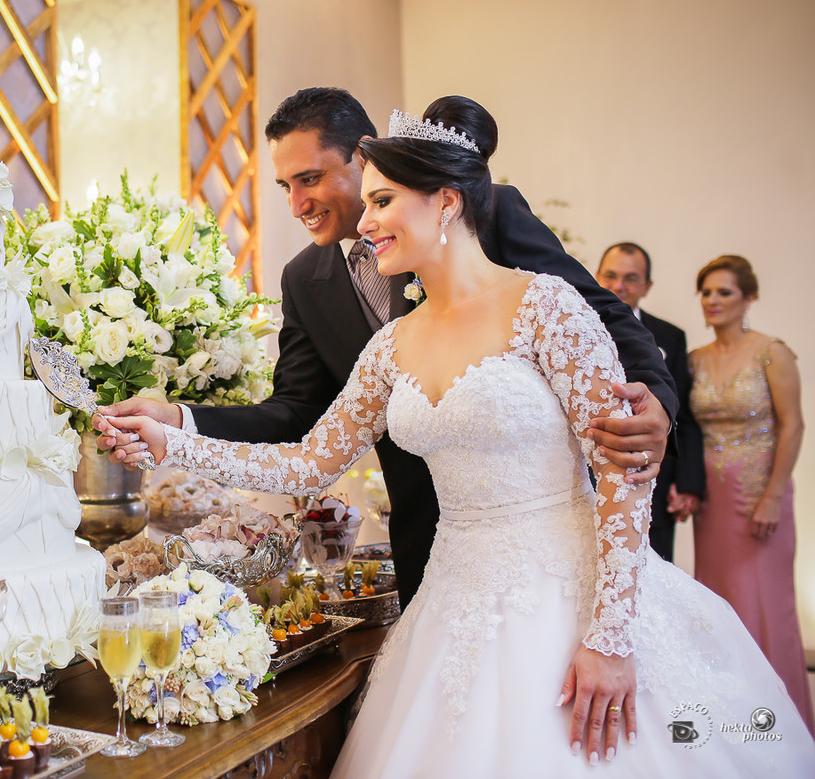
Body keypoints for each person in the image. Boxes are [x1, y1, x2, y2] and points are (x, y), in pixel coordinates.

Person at [100, 100, 815, 776]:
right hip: (451, 604)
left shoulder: (548, 308)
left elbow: (624, 476)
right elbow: (306, 459)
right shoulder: (390, 347)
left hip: (571, 598)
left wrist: (610, 639)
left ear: (445, 202)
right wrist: (172, 441)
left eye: (382, 202)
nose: (368, 221)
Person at [100, 88, 678, 609]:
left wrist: (653, 401)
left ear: (362, 156)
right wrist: (176, 428)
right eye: (286, 187)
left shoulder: (499, 233)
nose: (297, 204)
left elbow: (600, 316)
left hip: (554, 555)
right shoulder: (328, 297)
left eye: (311, 179)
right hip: (435, 545)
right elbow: (302, 427)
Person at [688, 254, 813, 732]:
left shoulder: (771, 352)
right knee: (722, 608)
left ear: (749, 298)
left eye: (725, 292)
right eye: (707, 292)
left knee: (766, 608)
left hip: (760, 496)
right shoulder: (694, 359)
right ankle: (728, 729)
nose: (713, 301)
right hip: (713, 506)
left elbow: (793, 425)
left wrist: (773, 497)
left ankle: (784, 727)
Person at [595, 242, 705, 561]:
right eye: (610, 276)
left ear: (647, 286)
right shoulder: (572, 326)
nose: (619, 286)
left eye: (630, 278)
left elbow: (683, 415)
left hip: (652, 477)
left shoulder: (670, 336)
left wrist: (688, 483)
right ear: (596, 276)